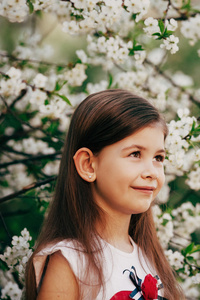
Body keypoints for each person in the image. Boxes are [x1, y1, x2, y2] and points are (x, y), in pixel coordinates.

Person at [24, 89, 184, 300]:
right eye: (135, 154)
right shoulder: (70, 261)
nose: (152, 172)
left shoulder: (149, 258)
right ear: (88, 165)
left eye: (158, 158)